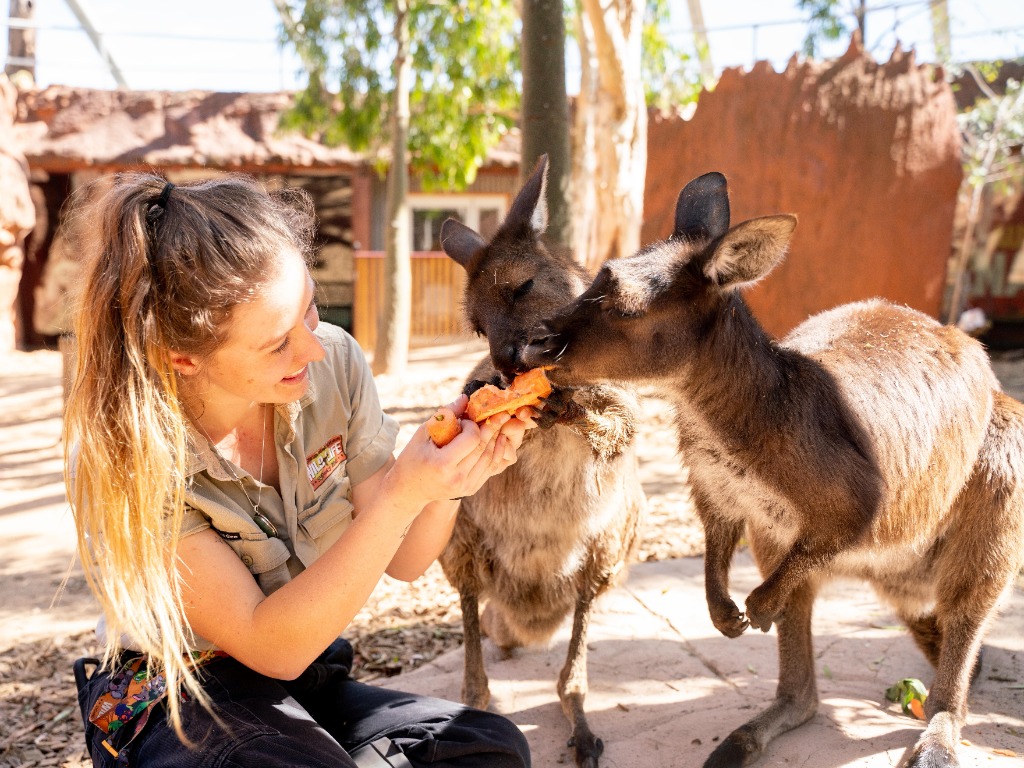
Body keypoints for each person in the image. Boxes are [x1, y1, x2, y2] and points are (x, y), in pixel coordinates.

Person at [63, 173, 535, 768]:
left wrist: (447, 483)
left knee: (487, 748)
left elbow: (408, 559)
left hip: (300, 684)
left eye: (310, 310)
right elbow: (269, 644)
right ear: (180, 357)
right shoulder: (130, 454)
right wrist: (398, 497)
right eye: (276, 343)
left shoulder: (331, 360)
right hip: (179, 696)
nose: (313, 348)